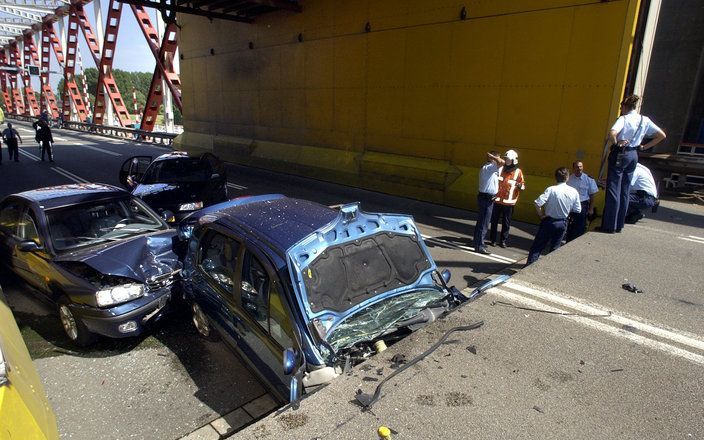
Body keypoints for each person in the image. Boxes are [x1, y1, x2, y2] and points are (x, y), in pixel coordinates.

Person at [600, 95, 666, 233]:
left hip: (620, 153)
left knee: (613, 189)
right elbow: (661, 135)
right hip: (634, 154)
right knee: (625, 190)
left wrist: (616, 142)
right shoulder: (644, 120)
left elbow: (612, 133)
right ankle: (619, 225)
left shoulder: (624, 119)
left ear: (625, 106)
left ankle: (609, 225)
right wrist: (645, 146)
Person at [525, 167, 581, 266]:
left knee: (538, 246)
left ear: (556, 177)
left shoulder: (551, 189)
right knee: (555, 248)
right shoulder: (574, 191)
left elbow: (537, 203)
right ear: (567, 178)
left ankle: (529, 266)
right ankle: (549, 267)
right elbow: (577, 209)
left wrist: (541, 215)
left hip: (549, 221)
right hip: (563, 222)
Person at [489, 149, 525, 248]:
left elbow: (523, 185)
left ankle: (503, 241)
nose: (506, 161)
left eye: (508, 159)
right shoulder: (500, 168)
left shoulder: (518, 172)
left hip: (509, 204)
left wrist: (519, 186)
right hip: (497, 201)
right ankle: (492, 240)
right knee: (494, 221)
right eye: (506, 159)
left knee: (506, 223)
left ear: (513, 160)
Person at [473, 151, 505, 255]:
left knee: (482, 222)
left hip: (487, 198)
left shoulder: (490, 168)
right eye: (497, 158)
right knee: (484, 223)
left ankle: (477, 242)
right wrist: (493, 157)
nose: (498, 160)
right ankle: (479, 246)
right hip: (486, 199)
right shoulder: (490, 167)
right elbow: (502, 162)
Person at [565, 160, 599, 241]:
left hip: (582, 205)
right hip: (570, 205)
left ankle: (576, 242)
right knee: (570, 226)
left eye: (580, 166)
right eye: (577, 167)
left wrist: (591, 209)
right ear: (573, 168)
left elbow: (592, 195)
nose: (579, 168)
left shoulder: (588, 179)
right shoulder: (569, 179)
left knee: (580, 227)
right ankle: (568, 241)